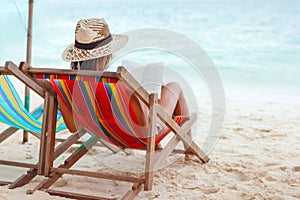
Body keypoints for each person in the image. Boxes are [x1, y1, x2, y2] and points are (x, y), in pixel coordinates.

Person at [60, 18, 195, 160]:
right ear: (106, 56)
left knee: (159, 93)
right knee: (174, 86)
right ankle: (190, 150)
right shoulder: (120, 87)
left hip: (112, 135)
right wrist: (149, 96)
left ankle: (163, 146)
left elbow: (74, 127)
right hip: (144, 135)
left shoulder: (66, 87)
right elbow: (144, 123)